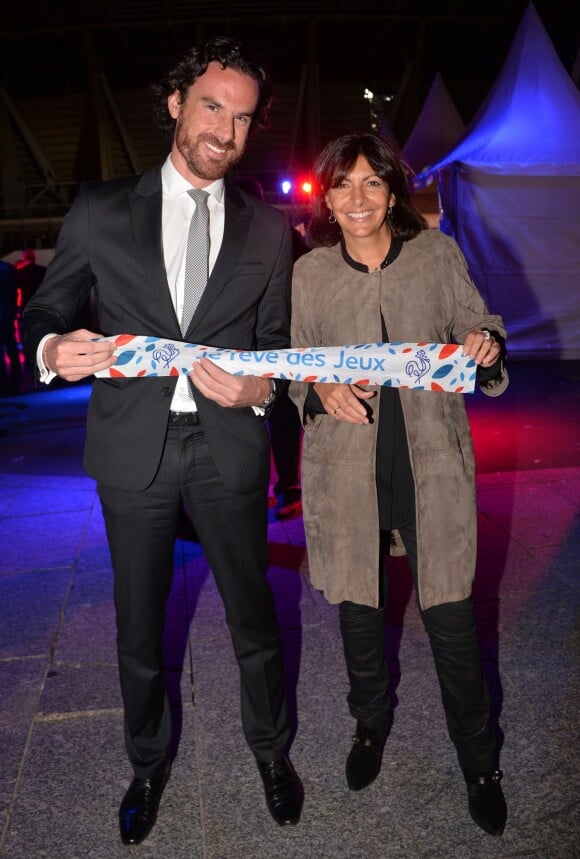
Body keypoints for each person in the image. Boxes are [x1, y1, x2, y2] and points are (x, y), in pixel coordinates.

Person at [23, 36, 304, 845]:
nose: (227, 130)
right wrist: (48, 349)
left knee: (256, 621)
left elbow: (279, 343)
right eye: (213, 106)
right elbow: (46, 308)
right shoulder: (99, 209)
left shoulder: (268, 227)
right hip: (132, 451)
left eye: (244, 118)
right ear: (177, 103)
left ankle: (271, 753)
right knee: (138, 626)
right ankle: (147, 764)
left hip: (230, 449)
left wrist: (264, 386)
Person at [290, 133, 509, 837]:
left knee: (451, 620)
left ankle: (480, 760)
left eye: (372, 184)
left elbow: (484, 326)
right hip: (345, 471)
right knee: (359, 613)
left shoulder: (437, 257)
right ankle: (369, 726)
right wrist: (320, 388)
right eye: (343, 186)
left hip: (430, 466)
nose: (357, 201)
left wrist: (484, 343)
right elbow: (295, 366)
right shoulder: (312, 274)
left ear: (393, 191)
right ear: (326, 197)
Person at [233, 174, 306, 519]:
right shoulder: (284, 233)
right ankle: (283, 486)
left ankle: (274, 487)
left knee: (261, 418)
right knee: (278, 418)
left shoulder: (279, 235)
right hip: (273, 344)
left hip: (263, 346)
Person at [0, 258, 21, 395]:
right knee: (11, 348)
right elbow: (15, 292)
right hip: (8, 313)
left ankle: (2, 383)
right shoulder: (9, 269)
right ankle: (15, 382)